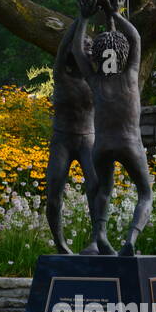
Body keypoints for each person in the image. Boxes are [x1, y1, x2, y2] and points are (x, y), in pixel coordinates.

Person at [72, 0, 154, 256]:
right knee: (145, 194)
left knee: (102, 191)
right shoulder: (130, 75)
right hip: (129, 143)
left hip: (102, 146)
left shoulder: (95, 81)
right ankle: (130, 240)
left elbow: (77, 51)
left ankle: (99, 238)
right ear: (124, 55)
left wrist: (84, 18)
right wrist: (116, 14)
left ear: (98, 56)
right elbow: (135, 38)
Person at [45, 16, 96, 254]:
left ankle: (97, 240)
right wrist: (82, 18)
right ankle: (61, 244)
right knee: (54, 191)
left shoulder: (97, 80)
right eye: (82, 44)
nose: (85, 47)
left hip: (88, 139)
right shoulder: (61, 75)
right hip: (62, 140)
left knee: (96, 188)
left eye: (89, 45)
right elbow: (66, 45)